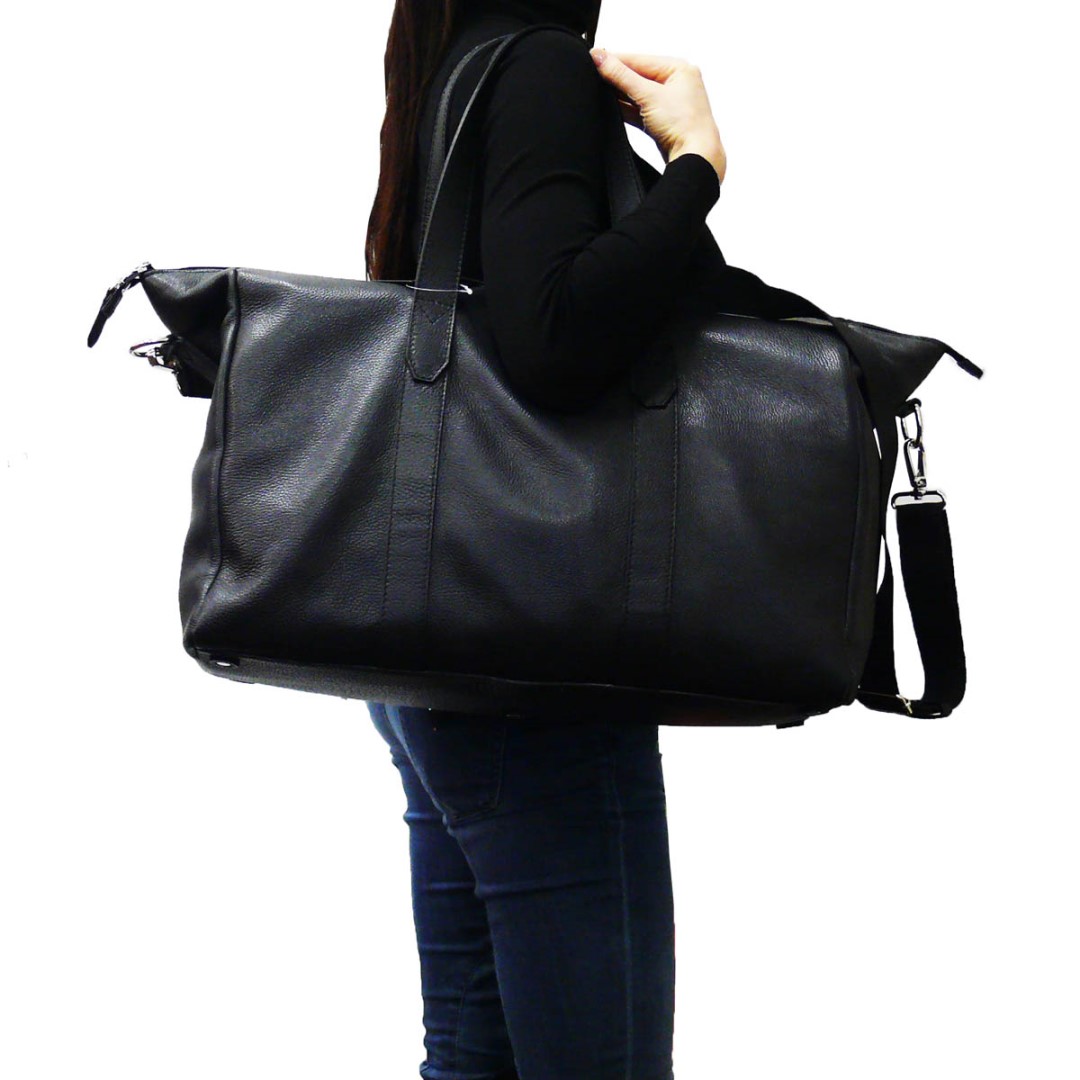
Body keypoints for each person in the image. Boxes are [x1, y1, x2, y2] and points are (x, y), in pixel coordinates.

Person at [363, 2, 727, 1077]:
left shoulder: (457, 64)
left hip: (442, 663)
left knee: (471, 1060)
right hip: (538, 675)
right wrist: (697, 167)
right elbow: (555, 339)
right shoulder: (538, 69)